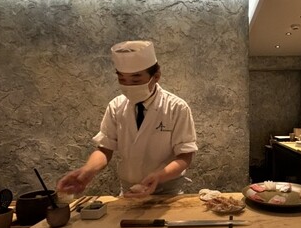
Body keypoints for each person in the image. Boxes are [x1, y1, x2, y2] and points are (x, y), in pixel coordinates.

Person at [57, 40, 197, 198]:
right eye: (122, 80)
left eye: (136, 80)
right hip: (129, 192)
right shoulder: (116, 106)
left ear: (156, 76)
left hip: (167, 193)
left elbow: (185, 156)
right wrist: (87, 171)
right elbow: (105, 149)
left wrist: (158, 177)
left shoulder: (176, 107)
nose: (129, 86)